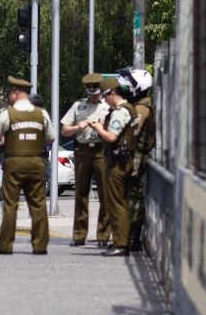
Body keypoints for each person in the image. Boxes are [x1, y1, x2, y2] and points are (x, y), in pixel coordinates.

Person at [0, 75, 55, 255]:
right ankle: (40, 245)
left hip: (14, 162)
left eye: (10, 93)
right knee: (38, 204)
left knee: (11, 205)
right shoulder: (41, 114)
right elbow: (51, 138)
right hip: (36, 162)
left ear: (16, 93)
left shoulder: (7, 114)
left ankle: (5, 245)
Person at [60, 72, 111, 247]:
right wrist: (77, 127)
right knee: (81, 194)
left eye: (95, 93)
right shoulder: (78, 106)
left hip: (101, 151)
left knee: (105, 194)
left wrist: (102, 128)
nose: (93, 96)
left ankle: (103, 236)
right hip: (82, 151)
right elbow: (64, 131)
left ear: (100, 91)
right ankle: (79, 235)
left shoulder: (108, 107)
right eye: (90, 93)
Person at [91, 74, 136, 257]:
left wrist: (98, 129)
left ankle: (121, 244)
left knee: (117, 204)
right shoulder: (128, 108)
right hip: (122, 159)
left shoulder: (120, 111)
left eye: (105, 96)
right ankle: (119, 241)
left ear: (112, 93)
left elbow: (111, 137)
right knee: (118, 203)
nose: (104, 100)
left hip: (118, 162)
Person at [120, 69, 155, 252]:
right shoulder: (140, 105)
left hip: (136, 157)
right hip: (135, 155)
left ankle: (133, 238)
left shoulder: (141, 109)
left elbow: (132, 133)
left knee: (132, 197)